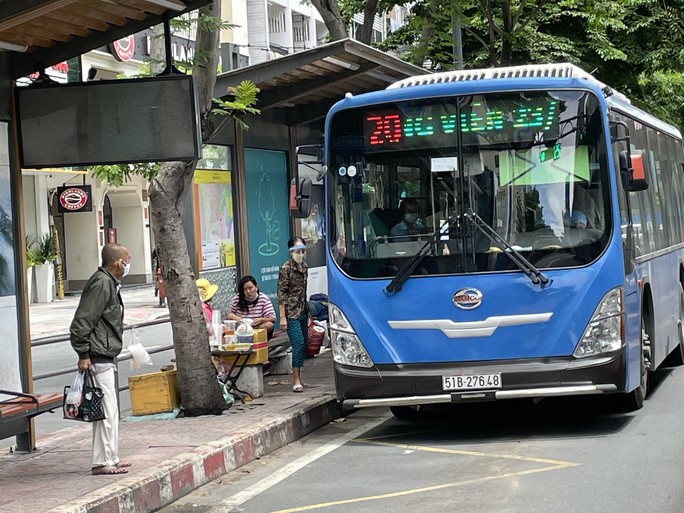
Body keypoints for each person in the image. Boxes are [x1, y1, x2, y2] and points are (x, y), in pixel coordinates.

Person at [69, 243, 130, 475]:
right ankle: (103, 460)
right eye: (126, 259)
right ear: (118, 263)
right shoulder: (102, 283)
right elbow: (82, 321)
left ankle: (110, 456)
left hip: (104, 354)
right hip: (97, 355)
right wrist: (83, 353)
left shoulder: (108, 283)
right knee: (105, 410)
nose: (128, 263)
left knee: (109, 409)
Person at [277, 237, 308, 393]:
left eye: (302, 250)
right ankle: (295, 379)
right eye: (297, 250)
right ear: (291, 251)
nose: (300, 253)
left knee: (304, 344)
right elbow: (281, 293)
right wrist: (282, 317)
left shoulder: (305, 267)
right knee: (298, 343)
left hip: (303, 310)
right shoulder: (286, 268)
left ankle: (300, 377)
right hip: (291, 312)